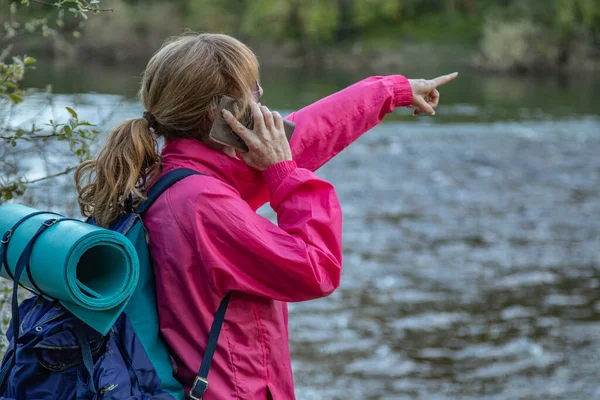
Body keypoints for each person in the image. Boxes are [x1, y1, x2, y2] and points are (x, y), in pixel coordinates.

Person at [74, 33, 457, 399]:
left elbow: (303, 134)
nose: (261, 98)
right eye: (253, 90)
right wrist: (285, 174)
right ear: (222, 115)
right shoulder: (204, 204)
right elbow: (316, 268)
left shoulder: (170, 173)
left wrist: (391, 91)